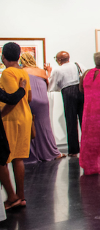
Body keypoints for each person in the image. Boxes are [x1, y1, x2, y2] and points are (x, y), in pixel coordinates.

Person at [0, 43, 33, 210]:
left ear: (3, 57)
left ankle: (12, 197)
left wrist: (1, 114)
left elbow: (13, 98)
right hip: (24, 116)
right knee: (18, 157)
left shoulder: (7, 72)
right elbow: (29, 97)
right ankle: (21, 196)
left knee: (4, 158)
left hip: (11, 118)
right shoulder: (22, 72)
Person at [20, 53, 65, 163]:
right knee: (44, 126)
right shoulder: (40, 71)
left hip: (29, 99)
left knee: (28, 126)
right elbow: (47, 85)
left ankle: (30, 155)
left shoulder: (21, 72)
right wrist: (48, 71)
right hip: (43, 101)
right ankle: (50, 153)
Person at [47, 51, 85, 157]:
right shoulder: (78, 65)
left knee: (71, 121)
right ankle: (88, 147)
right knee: (84, 120)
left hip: (68, 92)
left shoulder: (58, 69)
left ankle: (73, 151)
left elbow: (52, 85)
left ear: (59, 60)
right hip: (82, 91)